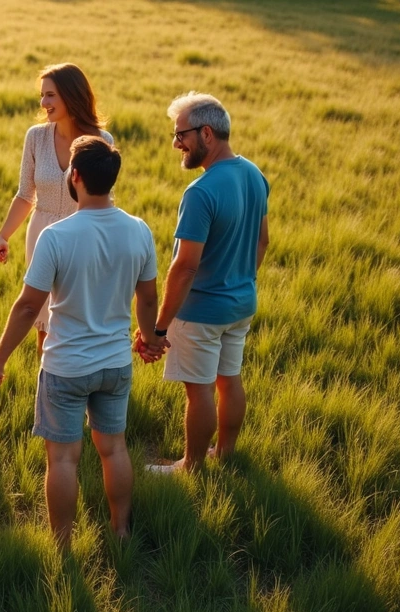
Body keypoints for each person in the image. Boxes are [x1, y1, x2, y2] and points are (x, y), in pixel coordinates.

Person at [0, 136, 164, 550]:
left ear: (74, 176)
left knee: (63, 459)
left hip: (66, 366)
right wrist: (150, 337)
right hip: (115, 363)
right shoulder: (138, 230)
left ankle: (62, 545)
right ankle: (120, 531)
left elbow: (29, 307)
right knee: (114, 449)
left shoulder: (56, 236)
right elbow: (148, 296)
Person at [143, 92, 270, 474]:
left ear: (207, 133)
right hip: (241, 303)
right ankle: (225, 453)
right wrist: (240, 279)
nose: (176, 143)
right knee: (228, 381)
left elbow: (184, 268)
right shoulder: (253, 173)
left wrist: (158, 327)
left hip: (200, 313)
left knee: (198, 391)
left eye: (181, 134)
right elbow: (263, 241)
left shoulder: (200, 192)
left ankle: (192, 466)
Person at [0, 63, 115, 354]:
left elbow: (105, 200)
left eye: (50, 95)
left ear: (71, 95)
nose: (43, 103)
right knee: (41, 313)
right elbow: (24, 195)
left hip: (84, 235)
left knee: (78, 314)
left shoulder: (102, 141)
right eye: (42, 95)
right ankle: (49, 381)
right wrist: (3, 237)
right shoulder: (36, 137)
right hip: (42, 233)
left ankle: (81, 378)